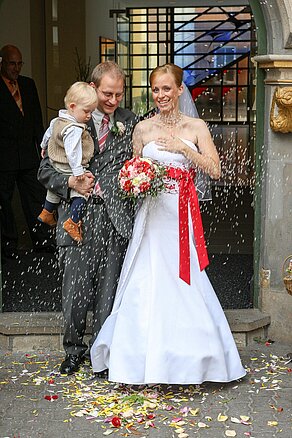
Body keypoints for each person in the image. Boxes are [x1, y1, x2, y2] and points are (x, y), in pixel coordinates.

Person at [90, 63, 246, 385]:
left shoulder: (195, 127)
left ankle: (192, 358)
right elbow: (130, 173)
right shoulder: (142, 129)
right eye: (156, 89)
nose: (161, 95)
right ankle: (137, 360)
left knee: (182, 277)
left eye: (166, 89)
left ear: (179, 90)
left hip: (180, 214)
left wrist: (182, 150)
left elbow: (215, 171)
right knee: (145, 277)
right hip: (150, 216)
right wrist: (134, 180)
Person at [38, 61, 138, 375]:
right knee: (75, 291)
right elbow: (43, 170)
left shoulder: (129, 121)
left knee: (109, 292)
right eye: (108, 93)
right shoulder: (67, 122)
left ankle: (101, 353)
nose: (113, 101)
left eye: (119, 95)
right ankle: (73, 351)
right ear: (93, 88)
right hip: (76, 218)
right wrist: (69, 182)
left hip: (115, 220)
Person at [0, 44, 53, 259]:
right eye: (12, 63)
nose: (16, 68)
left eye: (19, 63)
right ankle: (7, 246)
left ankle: (42, 241)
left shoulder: (28, 85)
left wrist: (43, 150)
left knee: (35, 199)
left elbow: (36, 121)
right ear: (2, 62)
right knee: (4, 203)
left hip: (29, 156)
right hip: (4, 157)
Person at [38, 81, 98, 243]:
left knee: (54, 190)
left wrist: (44, 147)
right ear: (72, 106)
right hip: (69, 168)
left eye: (91, 112)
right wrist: (78, 171)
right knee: (83, 193)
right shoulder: (74, 128)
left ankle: (47, 211)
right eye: (86, 111)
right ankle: (73, 221)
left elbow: (47, 135)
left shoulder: (57, 120)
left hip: (57, 163)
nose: (89, 116)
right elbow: (73, 151)